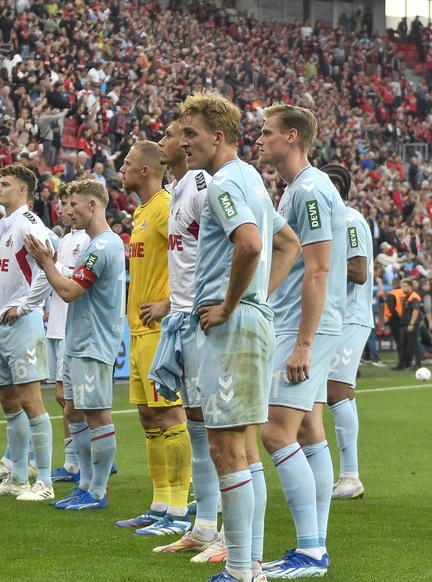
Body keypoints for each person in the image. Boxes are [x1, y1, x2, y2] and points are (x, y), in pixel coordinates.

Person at [177, 93, 299, 582]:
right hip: (250, 320)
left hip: (230, 326)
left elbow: (249, 244)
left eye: (192, 133)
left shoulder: (222, 183)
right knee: (243, 451)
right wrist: (257, 298)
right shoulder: (251, 178)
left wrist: (232, 304)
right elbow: (286, 244)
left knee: (227, 449)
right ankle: (250, 568)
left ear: (217, 136)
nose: (185, 143)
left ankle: (244, 570)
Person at [253, 106, 344, 579]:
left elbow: (320, 268)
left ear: (292, 137)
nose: (260, 139)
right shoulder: (295, 190)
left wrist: (304, 343)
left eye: (267, 133)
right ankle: (314, 548)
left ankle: (311, 552)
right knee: (308, 431)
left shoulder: (309, 190)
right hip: (297, 321)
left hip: (304, 326)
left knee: (274, 432)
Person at [25, 178, 126, 511]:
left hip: (94, 341)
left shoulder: (103, 247)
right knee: (73, 410)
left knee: (97, 415)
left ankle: (98, 490)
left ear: (93, 205)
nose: (68, 212)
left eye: (75, 205)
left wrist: (46, 264)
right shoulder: (93, 245)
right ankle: (84, 483)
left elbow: (69, 291)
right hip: (77, 339)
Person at [149, 120, 223, 559]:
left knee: (219, 431)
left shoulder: (202, 185)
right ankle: (205, 525)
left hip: (204, 321)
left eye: (170, 134)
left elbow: (244, 245)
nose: (162, 141)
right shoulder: (177, 188)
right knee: (196, 422)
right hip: (181, 319)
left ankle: (227, 533)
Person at [113, 140, 193, 535]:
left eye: (127, 163)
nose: (121, 169)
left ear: (145, 170)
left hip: (161, 330)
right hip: (138, 331)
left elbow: (191, 255)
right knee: (148, 416)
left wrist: (169, 302)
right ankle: (160, 503)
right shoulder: (142, 212)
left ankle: (179, 511)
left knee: (170, 414)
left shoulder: (164, 207)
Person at [0, 164, 57, 501]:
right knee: (9, 400)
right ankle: (18, 477)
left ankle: (46, 482)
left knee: (30, 400)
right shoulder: (1, 229)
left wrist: (25, 305)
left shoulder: (30, 224)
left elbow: (50, 266)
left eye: (5, 183)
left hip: (21, 323)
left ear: (22, 191)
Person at [321, 163, 375, 502]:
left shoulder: (350, 220)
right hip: (332, 317)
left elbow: (358, 271)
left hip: (350, 317)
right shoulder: (328, 221)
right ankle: (339, 473)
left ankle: (351, 476)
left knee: (336, 390)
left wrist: (314, 270)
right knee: (328, 392)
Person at [45, 186, 90, 485]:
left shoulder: (88, 239)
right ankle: (76, 460)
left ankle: (81, 461)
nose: (66, 210)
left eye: (71, 204)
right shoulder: (64, 239)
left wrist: (52, 263)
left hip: (72, 325)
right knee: (63, 398)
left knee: (73, 398)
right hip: (56, 322)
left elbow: (75, 276)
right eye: (63, 204)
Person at [394, 278, 422, 370]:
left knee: (413, 344)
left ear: (410, 286)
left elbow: (416, 310)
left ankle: (417, 364)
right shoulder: (407, 296)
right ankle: (405, 363)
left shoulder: (414, 297)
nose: (403, 288)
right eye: (402, 286)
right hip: (405, 324)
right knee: (404, 344)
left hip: (411, 324)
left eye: (405, 286)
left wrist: (412, 323)